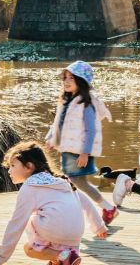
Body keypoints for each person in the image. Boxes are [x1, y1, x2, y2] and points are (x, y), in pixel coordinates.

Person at [0, 141, 107, 265]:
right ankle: (61, 259)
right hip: (75, 236)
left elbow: (16, 224)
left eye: (13, 165)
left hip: (54, 232)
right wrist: (99, 226)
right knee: (52, 218)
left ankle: (62, 256)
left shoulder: (30, 187)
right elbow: (85, 201)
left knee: (29, 248)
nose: (9, 171)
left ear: (29, 167)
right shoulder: (62, 181)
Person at [44, 60, 118, 225]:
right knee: (76, 181)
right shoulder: (67, 101)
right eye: (65, 78)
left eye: (72, 78)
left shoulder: (86, 104)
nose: (67, 81)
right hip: (69, 148)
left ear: (82, 82)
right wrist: (51, 137)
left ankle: (106, 208)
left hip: (80, 150)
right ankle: (96, 209)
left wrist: (85, 153)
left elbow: (91, 130)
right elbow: (58, 122)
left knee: (76, 181)